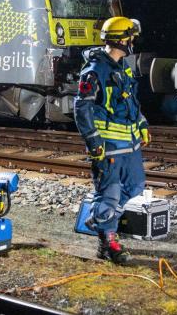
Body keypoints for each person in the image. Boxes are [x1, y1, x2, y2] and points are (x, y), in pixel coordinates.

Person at [74, 16, 150, 264]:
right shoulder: (95, 71)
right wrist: (94, 142)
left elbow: (131, 102)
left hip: (130, 144)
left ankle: (98, 219)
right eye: (130, 37)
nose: (133, 41)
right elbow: (81, 108)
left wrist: (142, 125)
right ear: (120, 40)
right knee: (110, 194)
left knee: (136, 185)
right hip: (108, 147)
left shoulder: (123, 67)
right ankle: (108, 242)